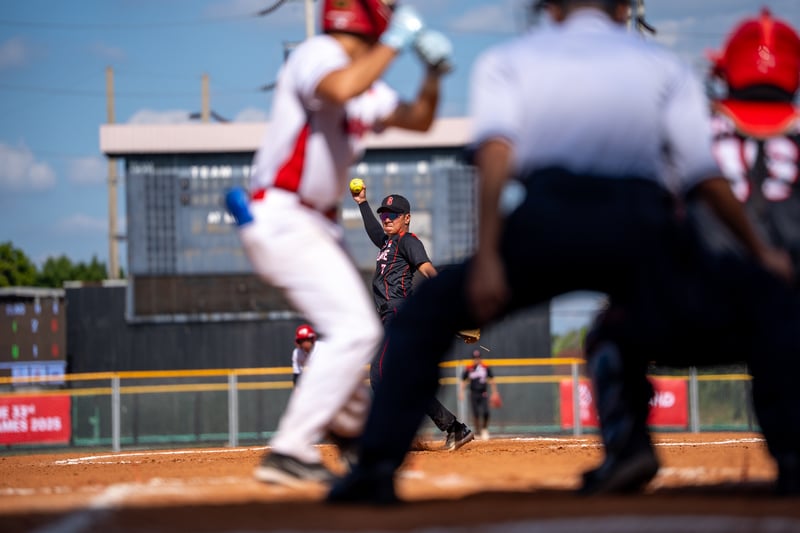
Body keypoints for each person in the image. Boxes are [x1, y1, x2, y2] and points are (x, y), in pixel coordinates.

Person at [327, 0, 792, 504]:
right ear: (621, 8)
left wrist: (488, 258)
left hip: (550, 218)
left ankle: (374, 468)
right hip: (640, 222)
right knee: (634, 326)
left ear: (547, 6)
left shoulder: (508, 59)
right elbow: (703, 174)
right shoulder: (664, 66)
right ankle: (764, 456)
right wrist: (758, 251)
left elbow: (496, 156)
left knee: (423, 317)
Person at [225, 0, 455, 488]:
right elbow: (340, 86)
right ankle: (289, 450)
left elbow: (419, 119)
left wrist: (433, 75)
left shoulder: (364, 84)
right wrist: (398, 42)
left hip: (313, 226)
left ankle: (357, 442)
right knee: (355, 331)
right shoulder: (318, 53)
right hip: (283, 215)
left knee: (353, 333)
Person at [580, 6, 800, 496]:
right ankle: (792, 453)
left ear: (723, 79)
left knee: (608, 331)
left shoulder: (686, 136)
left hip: (694, 313)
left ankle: (629, 447)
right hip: (786, 320)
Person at [352, 186, 473, 450]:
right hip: (389, 316)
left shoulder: (409, 242)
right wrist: (362, 203)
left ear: (406, 218)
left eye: (393, 215)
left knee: (381, 376)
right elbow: (374, 230)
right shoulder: (387, 244)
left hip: (397, 313)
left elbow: (428, 269)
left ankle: (390, 433)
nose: (387, 219)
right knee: (401, 379)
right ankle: (454, 427)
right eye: (385, 214)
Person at [459, 349, 499, 441]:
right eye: (475, 358)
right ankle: (477, 431)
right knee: (476, 413)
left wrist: (495, 392)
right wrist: (461, 392)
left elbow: (492, 379)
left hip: (483, 393)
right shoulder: (469, 368)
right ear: (472, 359)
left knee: (486, 412)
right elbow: (464, 381)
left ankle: (484, 429)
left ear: (480, 358)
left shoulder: (485, 367)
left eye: (478, 358)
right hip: (473, 393)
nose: (476, 359)